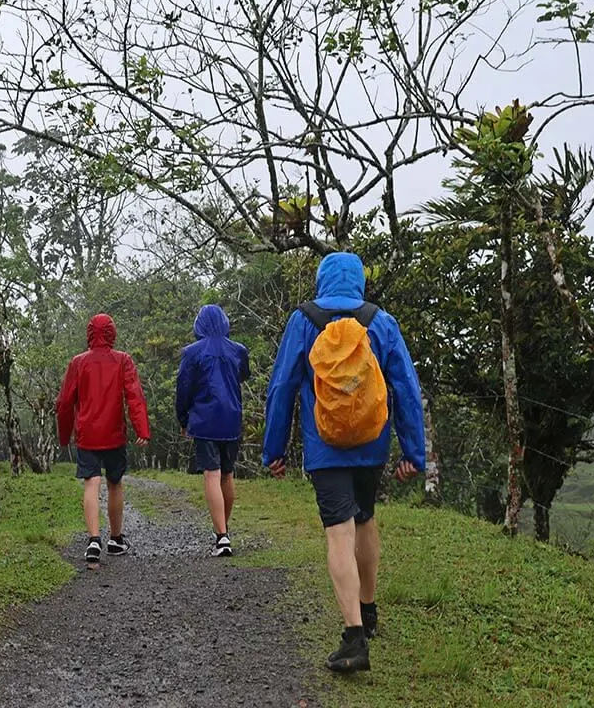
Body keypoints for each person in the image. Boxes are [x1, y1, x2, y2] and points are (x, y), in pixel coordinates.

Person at [262, 252, 425, 675]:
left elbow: (281, 387)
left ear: (320, 281)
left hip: (325, 446)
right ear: (359, 282)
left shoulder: (304, 321)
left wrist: (273, 449)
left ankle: (353, 636)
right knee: (366, 518)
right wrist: (413, 452)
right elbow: (406, 388)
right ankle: (368, 612)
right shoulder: (381, 321)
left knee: (339, 530)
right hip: (372, 443)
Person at [56, 313, 151, 564]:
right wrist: (142, 429)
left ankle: (93, 540)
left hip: (87, 434)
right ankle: (116, 539)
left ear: (89, 333)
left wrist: (64, 434)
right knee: (115, 483)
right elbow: (134, 396)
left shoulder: (78, 363)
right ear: (112, 333)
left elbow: (65, 402)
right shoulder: (123, 361)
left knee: (91, 483)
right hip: (114, 433)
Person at [175, 304, 250, 557]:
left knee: (211, 474)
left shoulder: (192, 353)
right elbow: (242, 376)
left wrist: (183, 418)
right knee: (227, 475)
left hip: (205, 419)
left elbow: (184, 388)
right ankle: (224, 529)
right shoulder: (238, 351)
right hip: (231, 417)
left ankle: (221, 537)